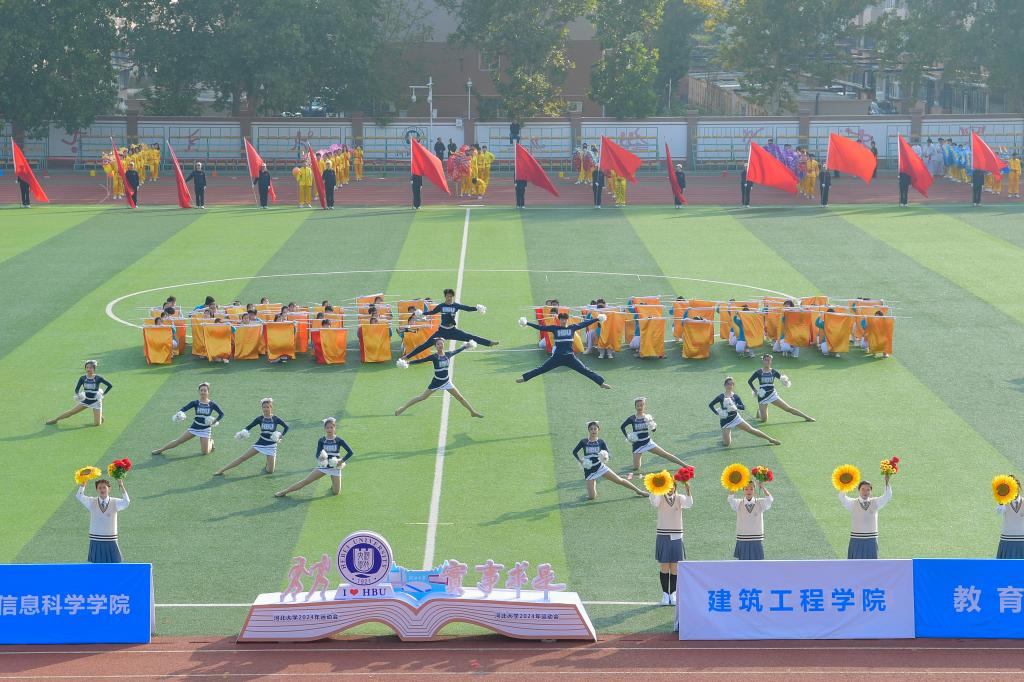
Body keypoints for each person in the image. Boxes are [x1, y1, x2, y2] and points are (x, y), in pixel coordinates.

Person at [517, 311, 611, 388]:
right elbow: (541, 327)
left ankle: (601, 383)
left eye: (565, 319)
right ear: (559, 320)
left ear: (567, 320)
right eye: (562, 319)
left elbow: (585, 323)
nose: (563, 321)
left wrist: (597, 319)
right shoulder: (555, 329)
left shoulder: (572, 328)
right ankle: (524, 378)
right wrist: (527, 323)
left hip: (570, 357)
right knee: (541, 369)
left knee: (585, 370)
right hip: (557, 357)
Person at [395, 339, 483, 417]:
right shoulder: (434, 357)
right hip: (436, 382)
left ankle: (473, 412)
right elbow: (421, 360)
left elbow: (457, 351)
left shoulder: (448, 354)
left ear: (443, 345)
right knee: (422, 397)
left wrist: (465, 346)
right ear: (435, 346)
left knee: (460, 398)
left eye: (441, 344)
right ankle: (402, 408)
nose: (440, 345)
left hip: (447, 382)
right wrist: (408, 363)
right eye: (438, 344)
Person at [400, 289, 497, 359]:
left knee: (470, 337)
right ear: (445, 297)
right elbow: (432, 312)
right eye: (447, 296)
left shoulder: (456, 306)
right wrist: (422, 314)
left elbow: (467, 309)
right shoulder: (441, 306)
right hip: (441, 332)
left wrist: (477, 308)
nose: (449, 298)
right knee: (425, 345)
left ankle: (489, 343)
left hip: (453, 331)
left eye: (450, 296)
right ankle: (407, 356)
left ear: (452, 297)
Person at [275, 417, 352, 497]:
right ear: (324, 428)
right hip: (324, 467)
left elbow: (350, 452)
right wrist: (320, 458)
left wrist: (341, 461)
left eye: (331, 427)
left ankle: (333, 485)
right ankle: (284, 491)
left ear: (334, 428)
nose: (329, 429)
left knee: (336, 492)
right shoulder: (321, 440)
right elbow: (317, 454)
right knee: (306, 481)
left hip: (335, 467)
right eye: (327, 428)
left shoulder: (339, 440)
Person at [573, 421, 647, 500]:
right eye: (591, 429)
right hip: (589, 471)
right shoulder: (583, 442)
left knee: (619, 480)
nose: (593, 431)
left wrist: (605, 457)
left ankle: (639, 491)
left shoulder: (601, 442)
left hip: (600, 467)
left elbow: (609, 454)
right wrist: (581, 461)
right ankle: (593, 483)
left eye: (595, 429)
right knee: (592, 497)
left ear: (598, 430)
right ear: (588, 430)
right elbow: (574, 452)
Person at [215, 398, 289, 476]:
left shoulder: (276, 419)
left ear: (271, 407)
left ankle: (268, 463)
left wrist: (281, 435)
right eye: (264, 407)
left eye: (267, 407)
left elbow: (286, 427)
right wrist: (242, 433)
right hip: (260, 443)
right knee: (243, 457)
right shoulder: (259, 419)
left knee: (270, 471)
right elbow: (249, 427)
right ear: (262, 408)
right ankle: (221, 470)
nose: (265, 409)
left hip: (271, 446)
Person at [650, 475, 692, 605]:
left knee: (674, 567)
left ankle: (673, 593)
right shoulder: (660, 497)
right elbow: (653, 501)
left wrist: (688, 490)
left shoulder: (679, 498)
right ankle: (665, 594)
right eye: (667, 486)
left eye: (672, 486)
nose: (670, 489)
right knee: (664, 565)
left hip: (677, 536)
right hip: (663, 535)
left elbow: (689, 504)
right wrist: (654, 488)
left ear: (675, 487)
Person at [152, 382, 224, 456]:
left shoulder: (212, 404)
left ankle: (211, 442)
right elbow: (184, 408)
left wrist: (215, 421)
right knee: (178, 441)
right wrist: (179, 414)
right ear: (199, 392)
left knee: (205, 453)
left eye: (205, 390)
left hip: (205, 430)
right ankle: (160, 450)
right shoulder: (195, 403)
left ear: (208, 392)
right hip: (194, 427)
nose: (203, 392)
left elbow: (221, 414)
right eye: (201, 390)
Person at [709, 377, 780, 447]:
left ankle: (770, 439)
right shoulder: (721, 397)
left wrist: (735, 406)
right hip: (725, 421)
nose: (729, 386)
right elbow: (711, 405)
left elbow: (743, 407)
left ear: (733, 386)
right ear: (725, 385)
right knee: (726, 444)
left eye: (731, 384)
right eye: (728, 384)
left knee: (751, 430)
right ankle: (723, 440)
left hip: (735, 418)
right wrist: (717, 413)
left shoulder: (735, 396)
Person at [620, 397, 686, 470]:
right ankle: (639, 455)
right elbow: (622, 427)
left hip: (648, 442)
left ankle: (685, 465)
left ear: (644, 406)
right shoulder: (632, 418)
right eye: (638, 405)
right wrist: (628, 437)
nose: (639, 407)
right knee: (636, 467)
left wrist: (651, 424)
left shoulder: (647, 417)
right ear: (635, 407)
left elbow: (654, 430)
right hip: (637, 445)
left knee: (665, 454)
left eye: (641, 405)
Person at [747, 354, 814, 423]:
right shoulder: (758, 372)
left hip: (772, 394)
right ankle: (759, 412)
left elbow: (782, 378)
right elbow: (749, 381)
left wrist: (786, 381)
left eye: (769, 360)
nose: (767, 362)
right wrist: (755, 390)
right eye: (766, 360)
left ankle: (807, 417)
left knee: (788, 408)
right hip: (762, 396)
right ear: (763, 361)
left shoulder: (773, 371)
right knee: (763, 420)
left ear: (771, 361)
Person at [76, 477, 129, 563]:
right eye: (99, 488)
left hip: (111, 538)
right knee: (97, 566)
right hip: (96, 539)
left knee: (114, 564)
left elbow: (126, 502)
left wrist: (121, 485)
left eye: (104, 487)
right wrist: (83, 483)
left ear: (109, 489)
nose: (102, 490)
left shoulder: (115, 502)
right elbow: (79, 496)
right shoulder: (91, 501)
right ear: (96, 490)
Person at [839, 474, 892, 559]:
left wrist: (887, 481)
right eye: (863, 489)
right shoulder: (853, 503)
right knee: (855, 565)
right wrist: (845, 485)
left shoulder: (875, 502)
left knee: (871, 565)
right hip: (856, 540)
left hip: (871, 540)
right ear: (859, 490)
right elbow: (842, 497)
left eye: (868, 490)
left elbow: (887, 496)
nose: (865, 492)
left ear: (871, 491)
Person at [46, 360, 112, 427]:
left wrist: (103, 394)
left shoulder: (98, 378)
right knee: (71, 412)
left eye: (91, 367)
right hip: (86, 400)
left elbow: (110, 385)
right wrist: (78, 395)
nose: (88, 369)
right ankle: (55, 420)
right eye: (87, 367)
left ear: (94, 369)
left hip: (96, 402)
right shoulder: (82, 378)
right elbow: (77, 389)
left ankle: (99, 416)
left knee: (97, 424)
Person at [729, 480, 772, 560]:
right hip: (742, 537)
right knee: (742, 564)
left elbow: (770, 499)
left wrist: (763, 488)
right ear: (743, 490)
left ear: (754, 490)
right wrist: (735, 486)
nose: (749, 491)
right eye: (746, 489)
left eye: (751, 489)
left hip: (756, 538)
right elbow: (730, 499)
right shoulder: (738, 503)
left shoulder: (760, 503)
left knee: (757, 564)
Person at [996, 476, 1024, 558]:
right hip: (1007, 540)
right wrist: (1001, 498)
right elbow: (999, 511)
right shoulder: (1004, 502)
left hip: (1022, 540)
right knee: (1005, 566)